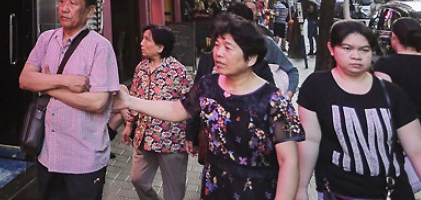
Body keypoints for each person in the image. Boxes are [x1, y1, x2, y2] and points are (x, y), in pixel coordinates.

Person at [117, 15, 303, 200]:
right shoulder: (208, 85)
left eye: (228, 47)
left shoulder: (274, 101)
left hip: (257, 190)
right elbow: (176, 110)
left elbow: (289, 161)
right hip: (215, 186)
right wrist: (130, 101)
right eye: (217, 45)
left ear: (251, 58)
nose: (218, 53)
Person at [295, 21, 421, 200]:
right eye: (347, 48)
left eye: (364, 50)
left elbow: (418, 150)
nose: (356, 56)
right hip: (340, 192)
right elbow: (310, 140)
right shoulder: (316, 87)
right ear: (331, 48)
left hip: (391, 191)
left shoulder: (391, 93)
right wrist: (300, 187)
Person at [19, 0, 120, 199]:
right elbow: (25, 80)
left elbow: (97, 103)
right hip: (48, 154)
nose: (64, 8)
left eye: (72, 3)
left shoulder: (100, 47)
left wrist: (47, 85)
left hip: (83, 158)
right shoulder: (46, 39)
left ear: (90, 11)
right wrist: (65, 81)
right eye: (61, 1)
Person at [373, 18, 421, 198]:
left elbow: (384, 103)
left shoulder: (384, 65)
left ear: (394, 38)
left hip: (400, 139)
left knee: (400, 191)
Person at [123, 25, 191, 200]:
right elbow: (134, 96)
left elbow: (191, 106)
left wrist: (192, 136)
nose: (141, 43)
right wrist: (129, 124)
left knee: (173, 192)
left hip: (172, 140)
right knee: (138, 180)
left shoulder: (178, 71)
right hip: (144, 136)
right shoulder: (141, 68)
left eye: (147, 39)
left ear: (160, 47)